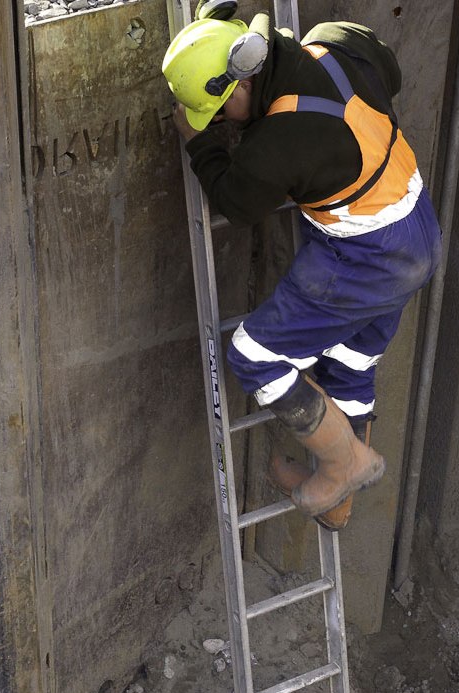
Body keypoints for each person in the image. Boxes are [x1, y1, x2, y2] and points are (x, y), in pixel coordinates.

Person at [161, 3, 441, 529]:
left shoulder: (277, 142)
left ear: (241, 86)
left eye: (220, 112)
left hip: (366, 256)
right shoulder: (334, 41)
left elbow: (238, 202)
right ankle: (338, 504)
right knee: (350, 363)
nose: (220, 122)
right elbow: (391, 72)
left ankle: (344, 462)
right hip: (417, 226)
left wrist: (201, 144)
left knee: (253, 357)